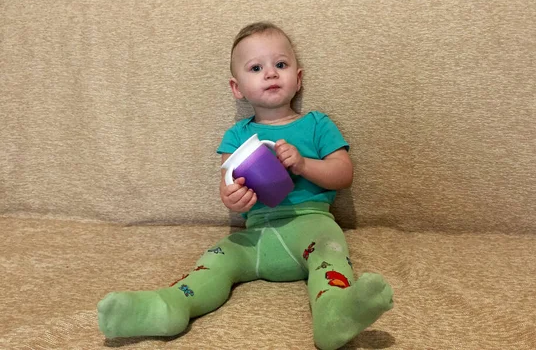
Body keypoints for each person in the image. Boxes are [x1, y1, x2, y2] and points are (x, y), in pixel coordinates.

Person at [97, 22, 393, 350]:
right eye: (256, 68)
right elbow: (227, 188)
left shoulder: (317, 124)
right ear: (237, 88)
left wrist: (303, 164)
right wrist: (233, 199)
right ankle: (170, 305)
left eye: (281, 64)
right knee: (216, 258)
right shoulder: (237, 136)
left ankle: (333, 314)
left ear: (298, 77)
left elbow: (344, 173)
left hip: (312, 226)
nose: (270, 73)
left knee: (330, 252)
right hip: (256, 238)